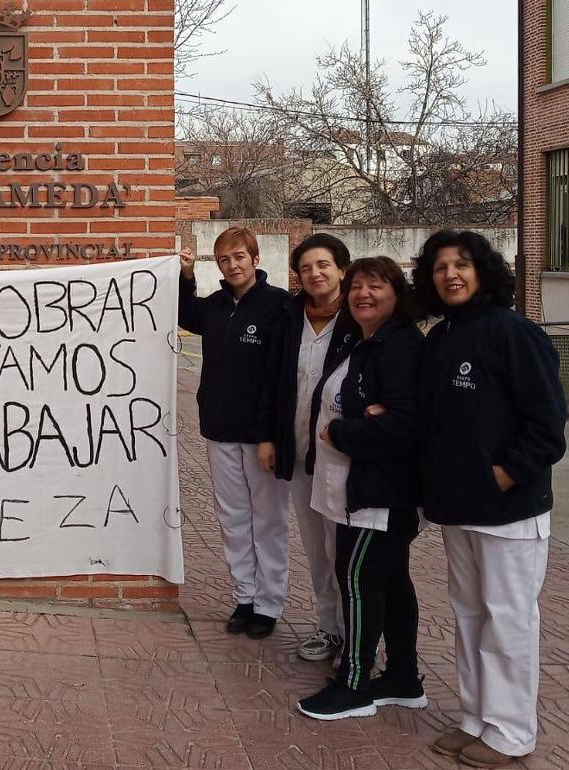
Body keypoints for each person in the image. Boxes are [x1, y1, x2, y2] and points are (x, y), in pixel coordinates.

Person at [414, 231, 566, 768]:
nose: (451, 275)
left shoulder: (515, 334)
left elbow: (548, 428)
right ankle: (476, 716)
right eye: (440, 267)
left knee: (508, 619)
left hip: (509, 511)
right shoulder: (440, 339)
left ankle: (512, 732)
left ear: (484, 271)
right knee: (470, 615)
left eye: (462, 264)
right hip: (457, 508)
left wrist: (504, 475)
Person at [295, 256, 426, 721]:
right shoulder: (366, 342)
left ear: (397, 293)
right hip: (353, 489)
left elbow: (406, 424)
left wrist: (344, 432)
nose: (363, 295)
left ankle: (354, 684)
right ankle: (404, 678)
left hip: (379, 494)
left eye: (376, 286)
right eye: (356, 288)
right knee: (390, 582)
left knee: (356, 581)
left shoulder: (400, 347)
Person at [178, 227, 291, 639]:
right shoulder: (217, 305)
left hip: (262, 436)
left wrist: (270, 435)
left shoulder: (280, 306)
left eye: (239, 257)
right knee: (233, 518)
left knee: (269, 521)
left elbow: (280, 378)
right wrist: (186, 276)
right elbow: (184, 313)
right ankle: (244, 597)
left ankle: (268, 603)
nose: (233, 265)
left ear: (255, 258)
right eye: (224, 259)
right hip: (220, 429)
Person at [255, 234, 351, 662]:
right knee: (316, 548)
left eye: (324, 265)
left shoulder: (358, 320)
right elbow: (271, 383)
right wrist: (268, 437)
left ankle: (357, 636)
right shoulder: (289, 319)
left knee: (343, 551)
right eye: (307, 267)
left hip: (344, 459)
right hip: (298, 452)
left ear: (342, 270)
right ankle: (330, 628)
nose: (316, 274)